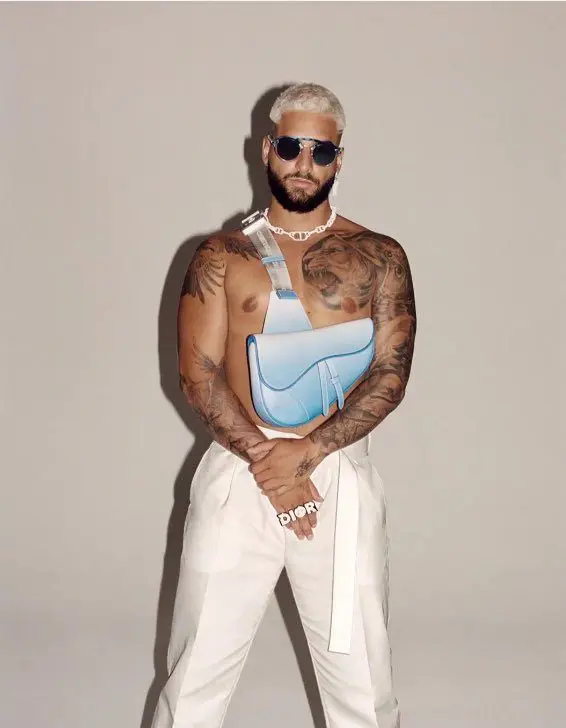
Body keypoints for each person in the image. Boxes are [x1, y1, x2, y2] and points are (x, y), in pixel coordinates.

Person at [151, 82, 416, 728]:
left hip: (336, 474)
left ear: (338, 159)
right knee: (193, 676)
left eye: (320, 151)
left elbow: (392, 372)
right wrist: (270, 463)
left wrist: (309, 454)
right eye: (292, 146)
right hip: (239, 471)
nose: (304, 163)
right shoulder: (221, 255)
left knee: (363, 682)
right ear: (268, 149)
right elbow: (197, 373)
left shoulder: (381, 256)